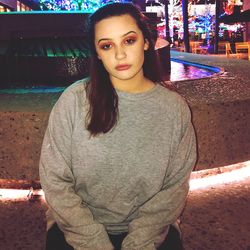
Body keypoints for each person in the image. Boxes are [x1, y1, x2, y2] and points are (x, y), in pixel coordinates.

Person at [39, 2, 197, 250]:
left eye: (129, 41)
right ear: (98, 53)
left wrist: (140, 240)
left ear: (146, 41)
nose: (119, 55)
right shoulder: (74, 100)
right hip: (76, 228)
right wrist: (92, 240)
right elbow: (55, 181)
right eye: (107, 45)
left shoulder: (174, 109)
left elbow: (174, 188)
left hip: (150, 231)